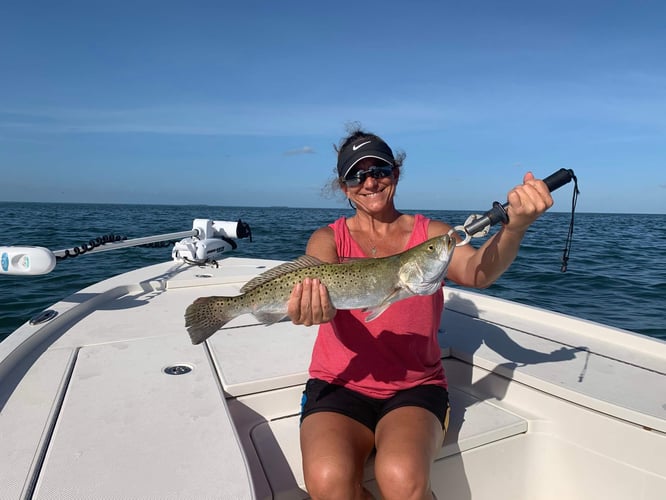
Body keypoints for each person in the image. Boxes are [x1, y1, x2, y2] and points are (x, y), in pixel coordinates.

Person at [287, 127, 553, 500]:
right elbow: (316, 275)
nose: (370, 181)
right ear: (344, 187)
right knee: (328, 481)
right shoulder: (328, 239)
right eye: (356, 175)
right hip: (340, 383)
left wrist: (515, 228)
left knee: (400, 478)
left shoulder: (433, 236)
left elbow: (478, 270)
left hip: (414, 388)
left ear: (395, 173)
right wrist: (309, 307)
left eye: (379, 169)